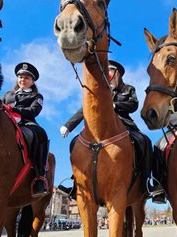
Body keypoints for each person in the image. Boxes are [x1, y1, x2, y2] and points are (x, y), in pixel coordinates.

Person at [58, 60, 153, 201]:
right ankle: (75, 184)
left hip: (123, 123)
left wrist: (115, 105)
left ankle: (146, 184)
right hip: (99, 125)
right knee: (75, 143)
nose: (106, 75)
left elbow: (133, 104)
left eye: (109, 71)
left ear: (117, 74)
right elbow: (85, 108)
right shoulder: (98, 91)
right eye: (105, 72)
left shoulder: (128, 89)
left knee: (144, 141)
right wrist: (69, 125)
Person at [2, 62, 49, 197]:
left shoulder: (36, 96)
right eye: (21, 77)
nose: (23, 80)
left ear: (32, 81)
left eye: (27, 78)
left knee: (41, 134)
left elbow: (33, 111)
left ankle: (40, 177)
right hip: (6, 121)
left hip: (26, 123)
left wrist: (14, 109)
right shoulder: (7, 94)